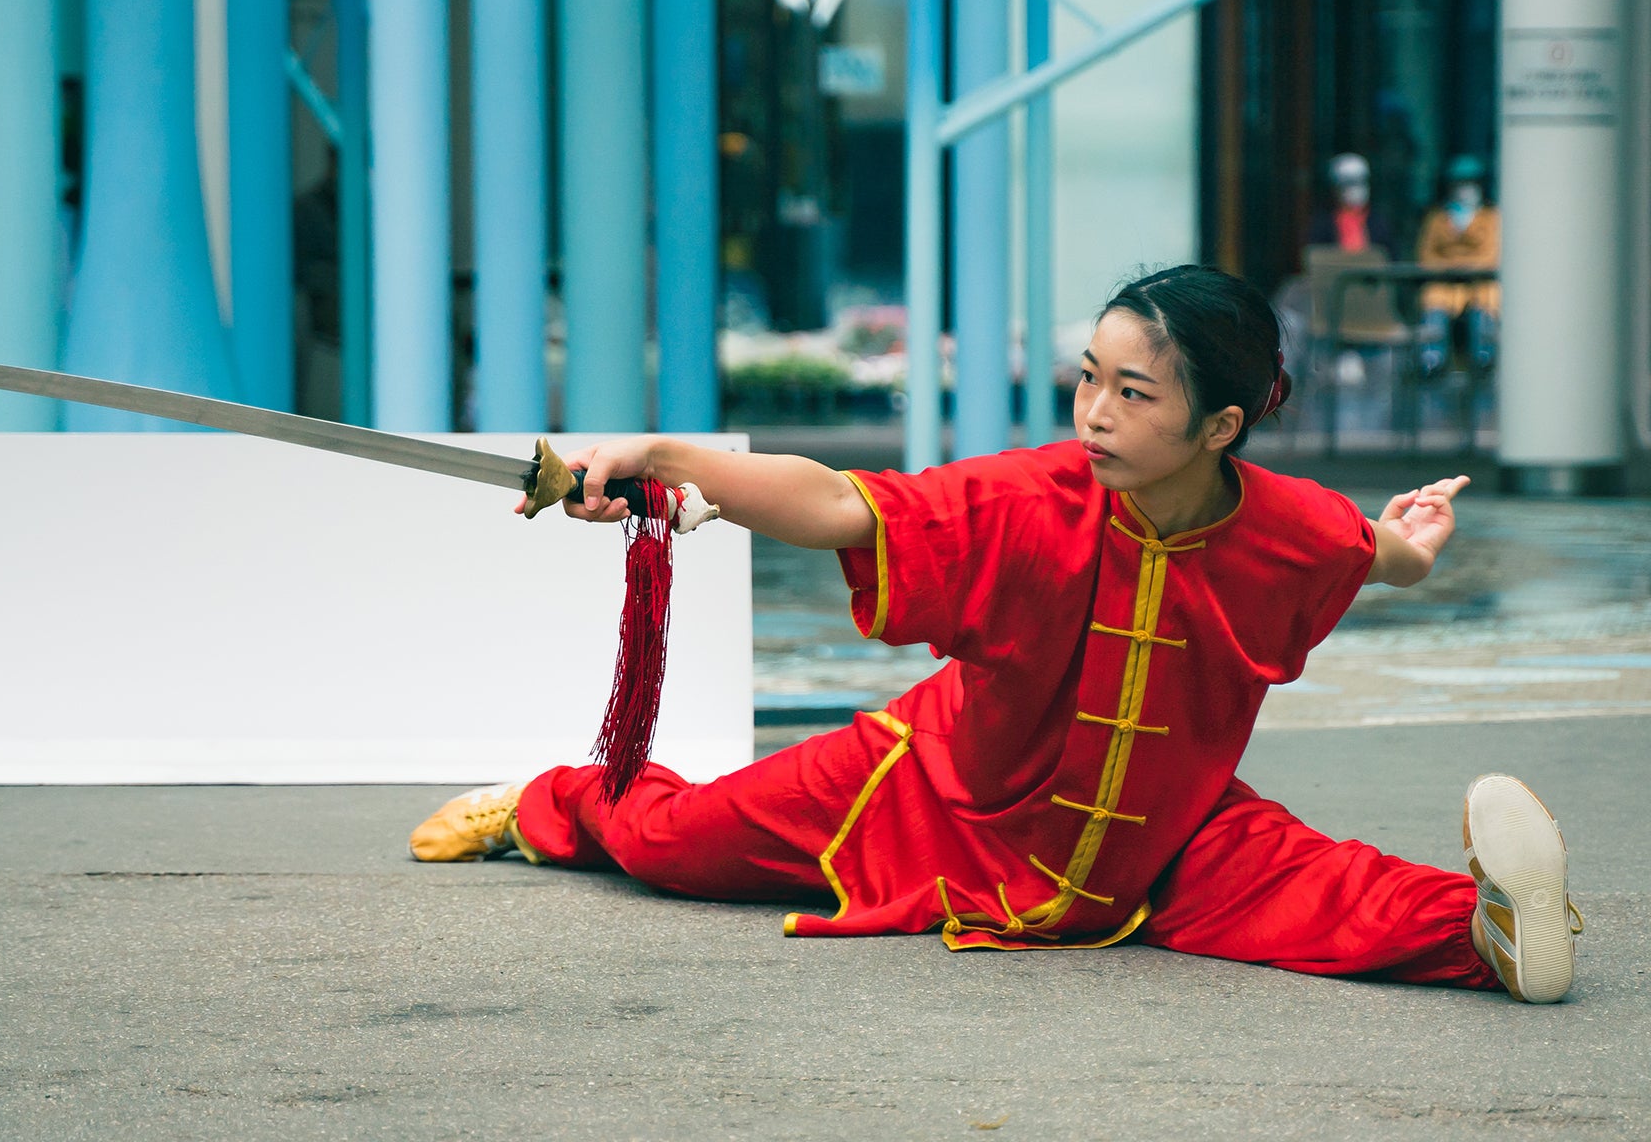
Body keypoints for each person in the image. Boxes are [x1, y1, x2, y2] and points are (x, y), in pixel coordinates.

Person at [410, 266, 1581, 1004]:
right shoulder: (1030, 497)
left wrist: (1411, 537)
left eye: (1135, 393)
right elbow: (840, 503)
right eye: (1090, 378)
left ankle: (1496, 929)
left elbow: (1373, 551)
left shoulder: (1293, 526)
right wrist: (665, 455)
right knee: (677, 842)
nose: (1095, 412)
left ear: (1222, 424)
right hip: (929, 792)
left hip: (1160, 832)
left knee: (1328, 887)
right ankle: (547, 802)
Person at [1415, 155, 1501, 373]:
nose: (1465, 190)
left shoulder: (1491, 217)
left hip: (1479, 281)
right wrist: (1449, 269)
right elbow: (1426, 255)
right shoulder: (1437, 218)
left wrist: (1466, 267)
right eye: (1459, 184)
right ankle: (1432, 359)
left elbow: (1492, 254)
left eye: (1470, 183)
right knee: (1433, 298)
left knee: (1488, 299)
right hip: (1444, 282)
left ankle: (1484, 358)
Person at [1306, 153, 1397, 257]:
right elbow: (1315, 256)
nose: (1355, 189)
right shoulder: (1323, 222)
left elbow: (1391, 257)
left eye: (1361, 182)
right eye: (1349, 183)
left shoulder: (1378, 222)